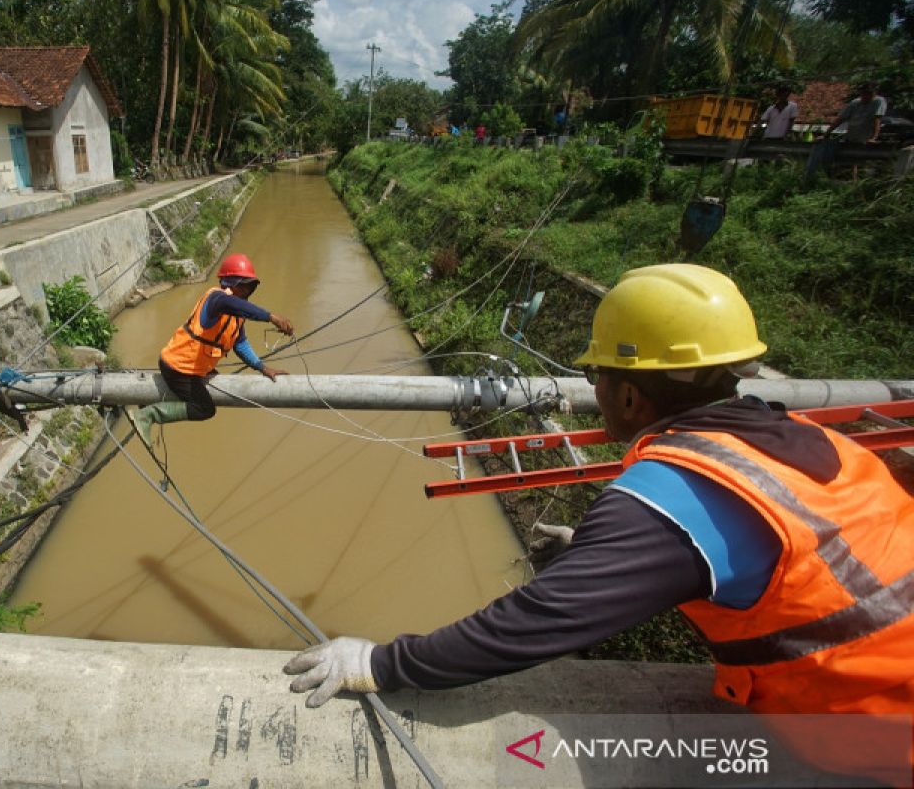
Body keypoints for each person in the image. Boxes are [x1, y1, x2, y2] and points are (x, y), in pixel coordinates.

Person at [284, 264, 914, 784]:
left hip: (871, 740)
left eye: (595, 375)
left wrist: (382, 663)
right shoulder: (817, 442)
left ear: (631, 395)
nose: (594, 389)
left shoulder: (674, 493)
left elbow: (534, 622)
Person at [132, 253, 294, 441]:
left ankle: (150, 403)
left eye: (250, 286)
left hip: (192, 369)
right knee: (204, 408)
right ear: (231, 283)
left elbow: (240, 344)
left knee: (204, 389)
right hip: (179, 367)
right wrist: (272, 317)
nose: (247, 291)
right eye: (243, 285)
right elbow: (230, 303)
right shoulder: (217, 299)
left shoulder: (237, 314)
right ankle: (147, 415)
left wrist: (263, 368)